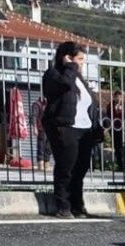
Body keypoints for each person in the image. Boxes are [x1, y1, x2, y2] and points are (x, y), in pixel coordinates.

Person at [41, 41, 102, 218]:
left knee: (80, 168)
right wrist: (70, 66)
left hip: (84, 129)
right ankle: (63, 205)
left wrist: (96, 126)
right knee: (66, 167)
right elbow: (64, 84)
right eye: (80, 59)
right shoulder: (54, 74)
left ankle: (77, 204)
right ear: (67, 58)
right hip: (65, 127)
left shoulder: (78, 78)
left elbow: (90, 103)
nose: (82, 63)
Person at [31, 95, 51, 172]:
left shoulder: (49, 104)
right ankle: (41, 164)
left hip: (49, 128)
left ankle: (47, 163)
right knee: (41, 146)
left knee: (48, 147)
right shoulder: (37, 104)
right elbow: (34, 116)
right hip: (41, 128)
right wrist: (34, 127)